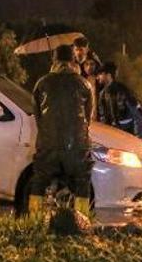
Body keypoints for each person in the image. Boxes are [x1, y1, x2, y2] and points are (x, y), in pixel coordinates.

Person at [28, 44, 94, 224]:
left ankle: (34, 223)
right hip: (77, 146)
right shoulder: (84, 84)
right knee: (82, 182)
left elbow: (38, 117)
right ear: (73, 61)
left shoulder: (42, 83)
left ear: (54, 60)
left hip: (48, 145)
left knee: (39, 181)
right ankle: (82, 223)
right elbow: (88, 118)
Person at [97, 62, 142, 142]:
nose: (98, 77)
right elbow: (103, 118)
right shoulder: (102, 95)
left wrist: (139, 138)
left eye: (101, 74)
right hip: (115, 136)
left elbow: (136, 115)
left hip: (129, 134)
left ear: (108, 75)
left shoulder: (123, 91)